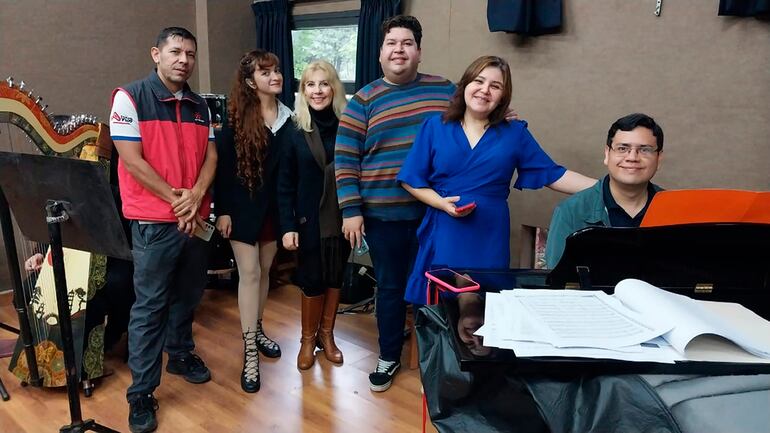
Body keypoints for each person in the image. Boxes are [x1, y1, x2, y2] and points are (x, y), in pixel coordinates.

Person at [397, 55, 595, 306]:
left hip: (490, 230)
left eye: (495, 86)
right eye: (478, 81)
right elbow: (411, 178)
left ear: (503, 96)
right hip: (446, 225)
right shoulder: (435, 126)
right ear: (465, 84)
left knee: (485, 306)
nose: (485, 90)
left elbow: (553, 174)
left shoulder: (515, 132)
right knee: (444, 305)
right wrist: (441, 203)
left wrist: (607, 187)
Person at [334, 15, 458, 392]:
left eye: (407, 43)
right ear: (380, 53)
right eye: (392, 43)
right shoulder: (363, 101)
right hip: (382, 216)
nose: (399, 50)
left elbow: (477, 117)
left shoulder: (445, 91)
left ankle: (434, 360)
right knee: (389, 289)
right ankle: (388, 356)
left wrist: (504, 119)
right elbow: (345, 159)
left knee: (432, 288)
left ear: (419, 52)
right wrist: (351, 211)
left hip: (432, 215)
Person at [110, 27, 217, 433]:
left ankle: (181, 353)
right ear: (156, 53)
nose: (183, 60)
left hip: (195, 220)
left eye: (190, 54)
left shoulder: (199, 105)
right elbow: (132, 161)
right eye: (175, 52)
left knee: (189, 295)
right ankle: (141, 393)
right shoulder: (130, 97)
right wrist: (179, 202)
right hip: (155, 223)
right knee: (150, 306)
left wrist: (197, 195)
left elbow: (211, 156)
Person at [214, 49, 295, 393]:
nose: (275, 76)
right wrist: (223, 211)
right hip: (242, 208)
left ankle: (257, 328)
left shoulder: (290, 118)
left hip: (274, 210)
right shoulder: (235, 119)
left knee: (264, 273)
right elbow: (223, 169)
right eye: (265, 72)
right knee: (248, 274)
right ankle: (250, 351)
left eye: (276, 70)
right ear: (250, 82)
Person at [277, 60, 349, 370]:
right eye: (310, 84)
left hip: (344, 219)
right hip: (308, 221)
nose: (317, 91)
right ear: (303, 91)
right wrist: (287, 225)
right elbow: (284, 184)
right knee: (311, 279)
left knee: (335, 276)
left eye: (324, 84)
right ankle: (308, 340)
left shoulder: (349, 126)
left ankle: (327, 335)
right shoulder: (294, 130)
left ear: (334, 88)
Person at [544, 113, 664, 268]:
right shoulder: (570, 211)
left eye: (645, 150)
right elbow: (557, 278)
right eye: (622, 148)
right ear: (607, 154)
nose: (632, 157)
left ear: (659, 158)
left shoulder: (676, 208)